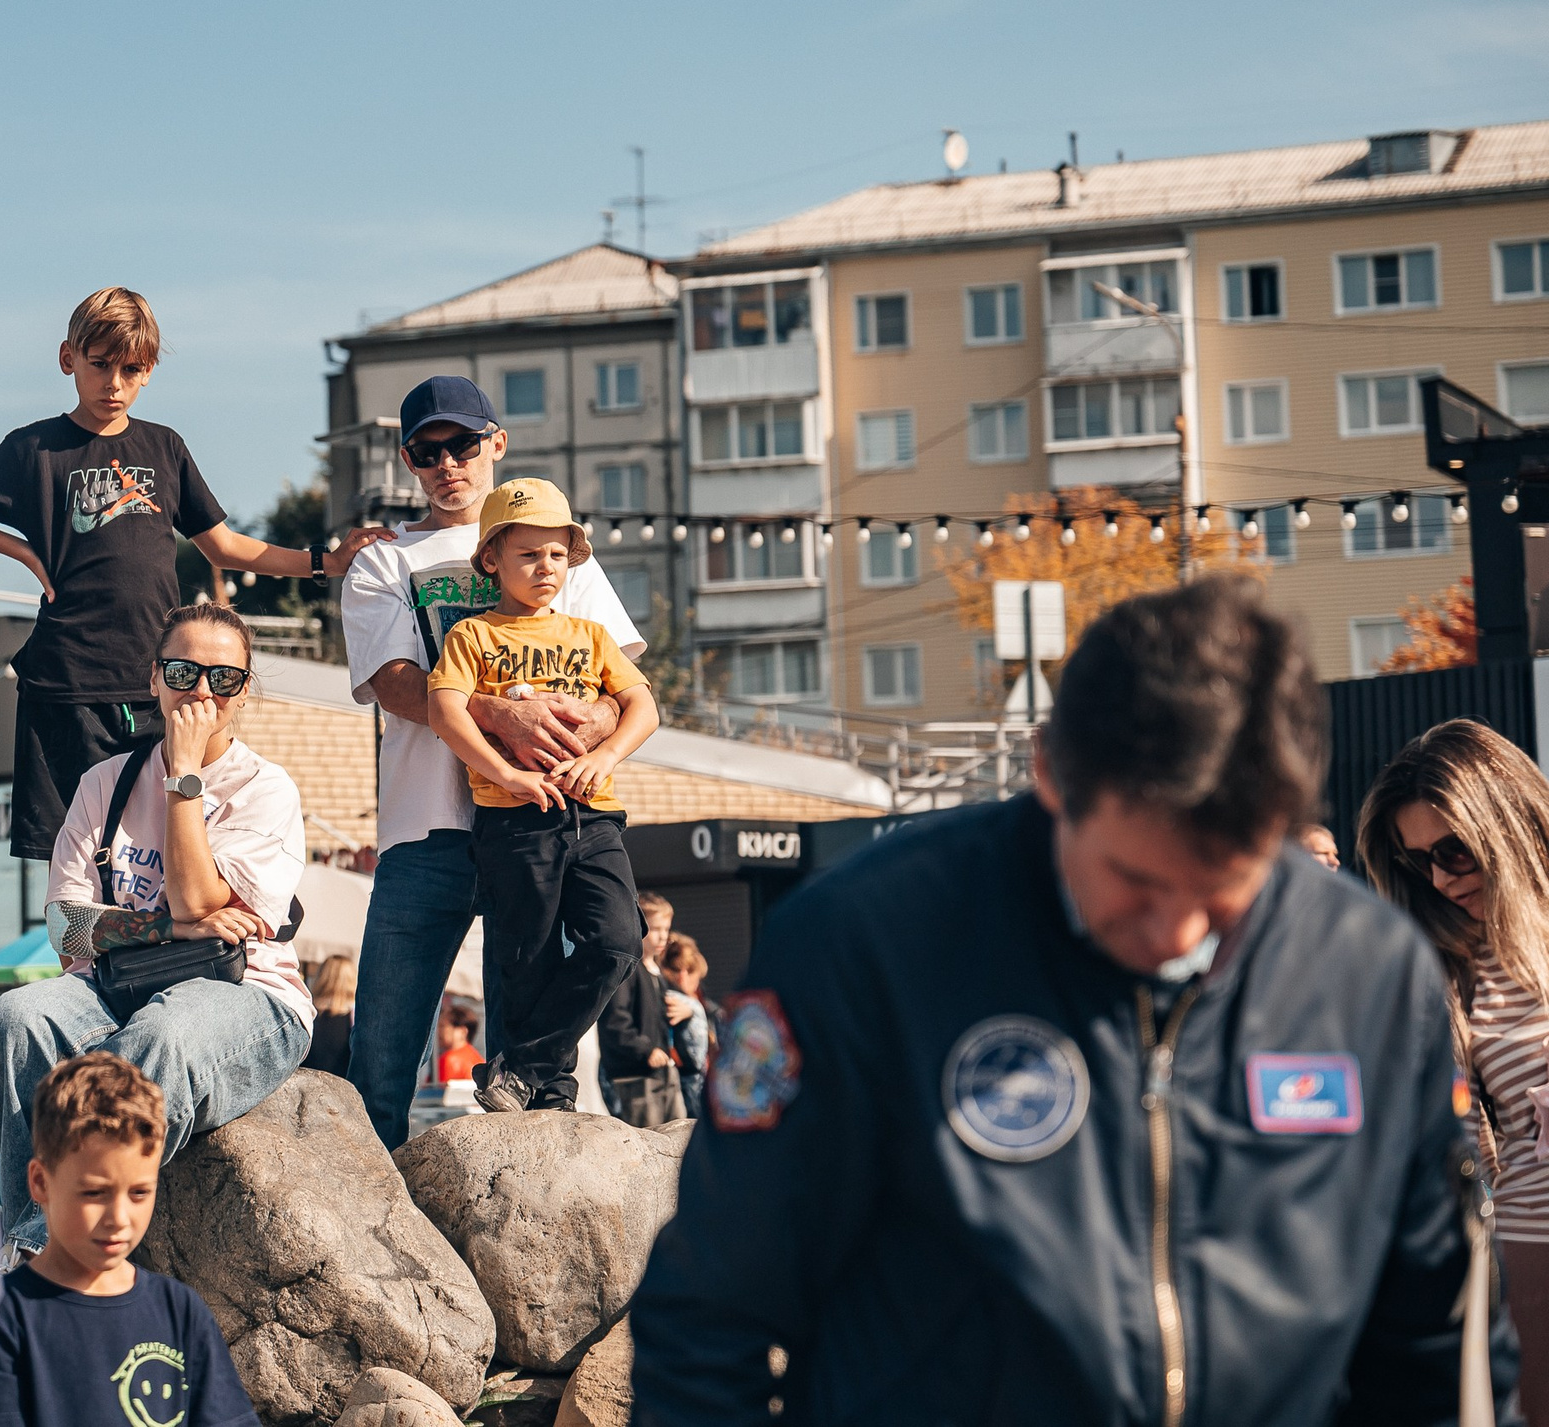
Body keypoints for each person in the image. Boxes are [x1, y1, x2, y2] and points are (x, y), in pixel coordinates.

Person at [632, 577, 1520, 1423]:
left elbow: (1436, 1337)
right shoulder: (863, 947)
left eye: (1224, 889)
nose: (1176, 931)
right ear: (1050, 773)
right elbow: (713, 1318)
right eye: (1134, 878)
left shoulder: (1365, 970)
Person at [0, 287, 389, 888]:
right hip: (66, 684)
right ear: (68, 358)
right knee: (78, 860)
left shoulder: (164, 448)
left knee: (167, 839)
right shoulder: (33, 448)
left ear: (149, 372)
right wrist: (25, 553)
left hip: (161, 685)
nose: (114, 382)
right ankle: (81, 973)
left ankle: (170, 963)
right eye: (100, 365)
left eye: (132, 369)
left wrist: (325, 562)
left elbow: (226, 546)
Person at [340, 375, 645, 1146]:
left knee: (528, 1082)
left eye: (462, 444)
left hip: (546, 822)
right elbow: (393, 682)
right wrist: (498, 710)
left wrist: (601, 717)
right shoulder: (385, 560)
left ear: (496, 443)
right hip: (430, 829)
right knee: (381, 1068)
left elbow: (623, 683)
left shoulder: (552, 540)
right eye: (426, 450)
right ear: (407, 458)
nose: (447, 464)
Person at [0, 603, 312, 1259]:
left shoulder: (264, 789)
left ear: (244, 692)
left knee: (164, 1030)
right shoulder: (105, 782)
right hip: (111, 985)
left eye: (224, 678)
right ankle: (26, 1234)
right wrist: (171, 924)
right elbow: (66, 930)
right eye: (185, 671)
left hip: (249, 993)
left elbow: (199, 896)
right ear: (154, 677)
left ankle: (47, 1248)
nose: (202, 692)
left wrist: (183, 774)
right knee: (15, 1018)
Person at [428, 478, 658, 1114]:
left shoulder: (590, 635)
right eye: (529, 554)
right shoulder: (473, 637)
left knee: (618, 940)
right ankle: (548, 1094)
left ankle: (521, 1066)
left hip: (596, 816)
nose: (545, 567)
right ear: (493, 559)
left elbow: (644, 706)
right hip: (514, 822)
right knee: (523, 961)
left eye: (557, 554)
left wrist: (607, 755)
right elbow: (446, 712)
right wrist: (506, 777)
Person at [1357, 718, 1549, 1426]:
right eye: (1419, 862)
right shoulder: (1450, 979)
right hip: (1537, 1254)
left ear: (1507, 821)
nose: (1440, 877)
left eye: (1454, 850)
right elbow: (1455, 1160)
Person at [0, 1053, 258, 1427]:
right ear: (39, 1183)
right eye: (94, 1193)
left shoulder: (180, 1311)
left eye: (139, 1193)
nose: (119, 1219)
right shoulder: (3, 1318)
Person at [597, 892, 685, 1129]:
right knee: (648, 1138)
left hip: (662, 1073)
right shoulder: (629, 970)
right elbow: (614, 1021)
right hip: (635, 1078)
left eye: (666, 930)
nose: (663, 937)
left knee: (678, 1136)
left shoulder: (657, 972)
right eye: (655, 929)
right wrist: (645, 1049)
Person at [658, 932, 710, 1112]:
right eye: (675, 970)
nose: (682, 977)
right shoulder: (671, 997)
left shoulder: (700, 1000)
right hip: (684, 1081)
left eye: (689, 970)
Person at [303, 954, 357, 1075]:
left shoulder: (307, 1012)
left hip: (305, 1084)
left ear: (321, 977)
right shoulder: (356, 1017)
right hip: (343, 1087)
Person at [434, 1003, 482, 1083]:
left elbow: (439, 1093)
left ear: (463, 1031)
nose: (438, 1032)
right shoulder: (477, 1058)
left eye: (442, 1026)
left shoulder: (450, 1059)